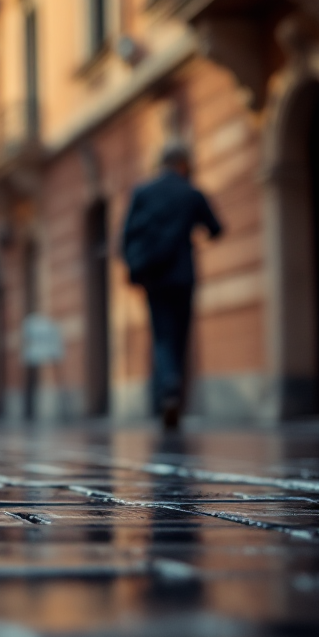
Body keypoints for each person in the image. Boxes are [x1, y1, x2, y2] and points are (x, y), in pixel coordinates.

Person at [121, 140, 222, 430]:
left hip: (154, 276)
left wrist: (136, 266)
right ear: (183, 164)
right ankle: (174, 386)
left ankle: (168, 386)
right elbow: (216, 229)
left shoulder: (142, 191)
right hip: (182, 274)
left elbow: (126, 235)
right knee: (179, 334)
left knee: (162, 334)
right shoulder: (191, 194)